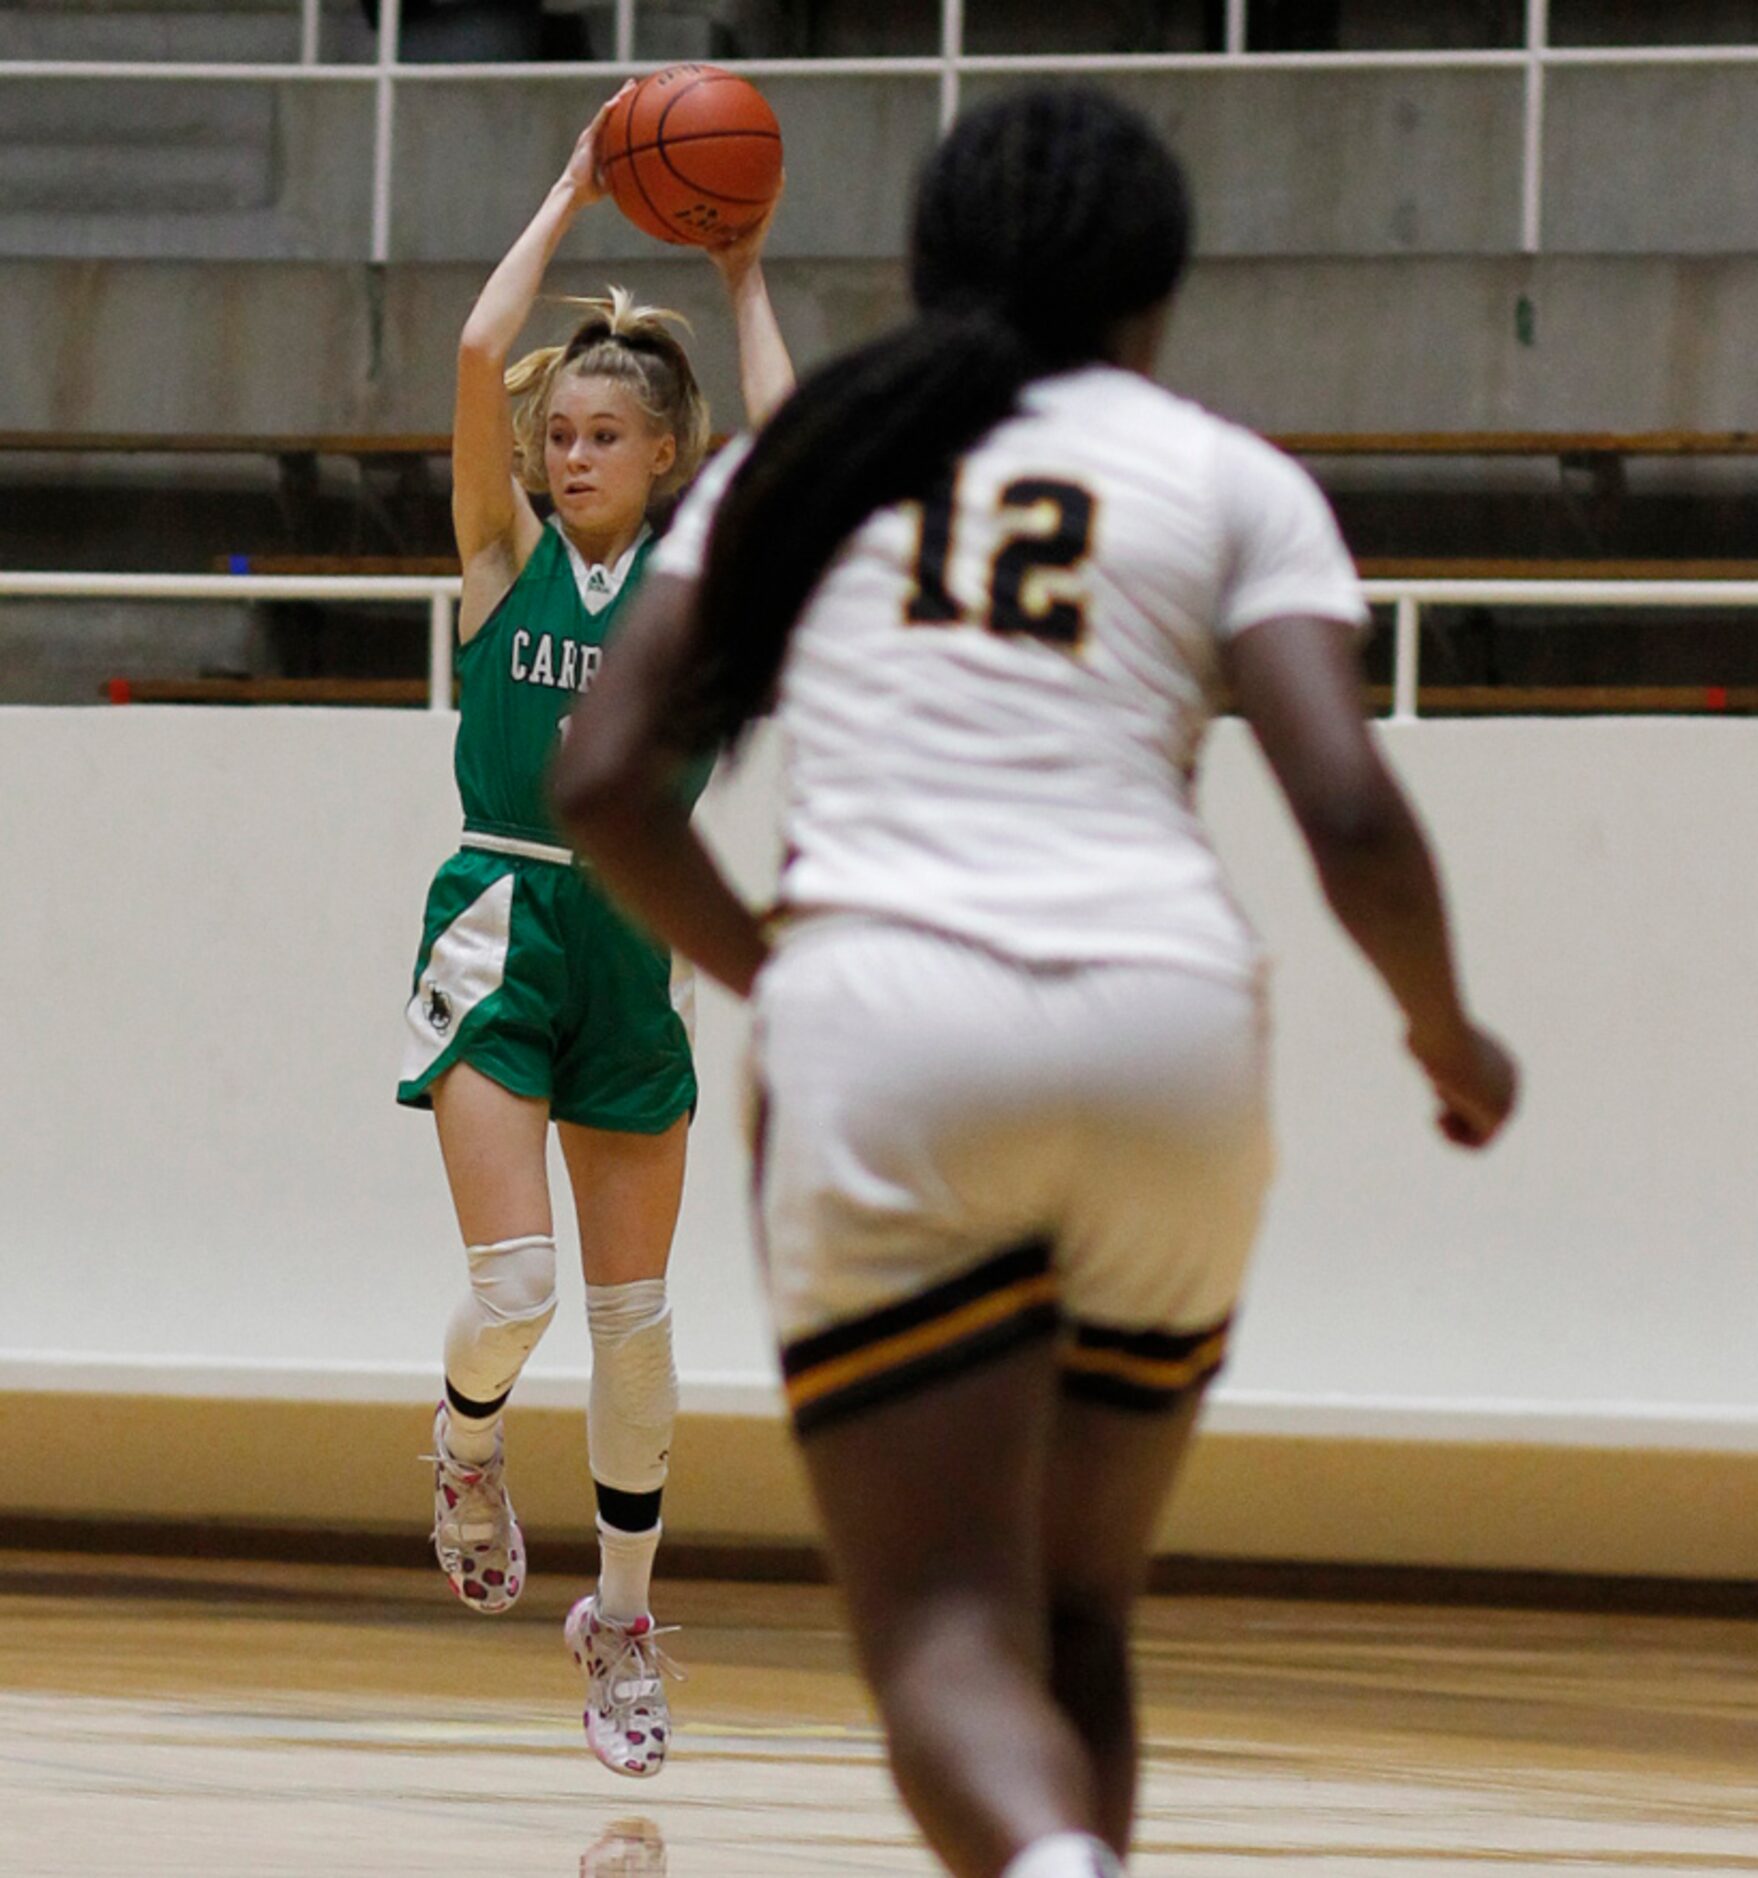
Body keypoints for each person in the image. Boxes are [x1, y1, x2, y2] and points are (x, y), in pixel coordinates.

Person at [553, 86, 1516, 1876]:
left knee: (943, 1624)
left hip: (888, 1027)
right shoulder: (1226, 472)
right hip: (1170, 1031)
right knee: (1079, 1614)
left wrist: (787, 973)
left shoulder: (804, 460)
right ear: (1153, 300)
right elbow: (1344, 805)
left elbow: (603, 776)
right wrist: (1450, 1042)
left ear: (927, 272)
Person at [395, 83, 794, 1779]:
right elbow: (482, 354)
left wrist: (745, 272)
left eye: (598, 437)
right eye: (558, 436)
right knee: (516, 1284)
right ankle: (465, 1443)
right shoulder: (501, 563)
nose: (565, 453)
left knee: (636, 1322)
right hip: (498, 915)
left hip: (636, 943)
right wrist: (572, 184)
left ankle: (622, 1621)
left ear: (664, 460)